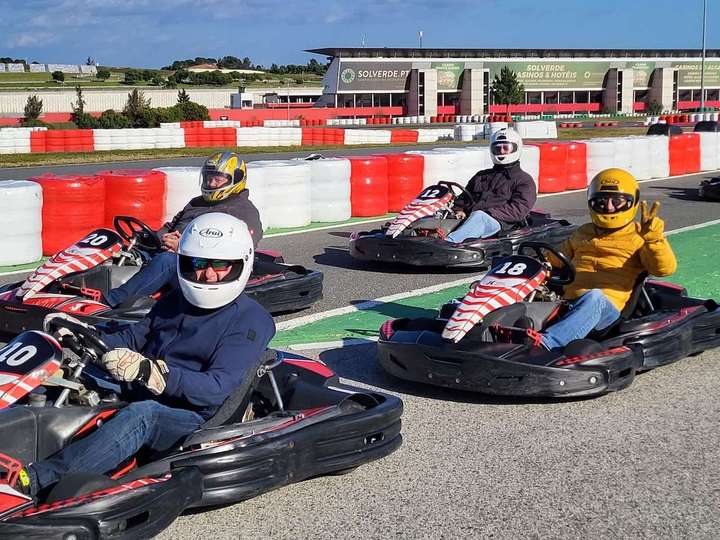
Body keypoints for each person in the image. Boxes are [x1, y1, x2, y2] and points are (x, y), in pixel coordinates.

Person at [11, 213, 275, 498]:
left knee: (142, 415)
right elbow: (132, 338)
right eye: (198, 264)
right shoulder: (176, 300)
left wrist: (157, 374)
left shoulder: (250, 320)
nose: (207, 275)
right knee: (64, 375)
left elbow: (216, 388)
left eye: (221, 266)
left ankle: (34, 481)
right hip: (146, 384)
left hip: (192, 413)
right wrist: (83, 339)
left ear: (241, 264)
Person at [540, 168, 677, 350]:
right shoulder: (584, 232)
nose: (609, 207)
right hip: (568, 302)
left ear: (631, 202)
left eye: (617, 201)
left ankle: (547, 345)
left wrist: (654, 239)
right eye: (602, 201)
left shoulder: (640, 237)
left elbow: (664, 269)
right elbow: (556, 258)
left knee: (595, 296)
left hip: (607, 313)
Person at [105, 151, 262, 308]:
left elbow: (240, 250)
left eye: (218, 179)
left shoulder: (243, 211)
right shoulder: (196, 203)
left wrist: (184, 248)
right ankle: (88, 286)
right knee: (122, 249)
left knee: (167, 261)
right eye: (209, 178)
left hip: (200, 267)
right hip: (170, 252)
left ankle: (109, 302)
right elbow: (171, 226)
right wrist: (157, 237)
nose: (212, 184)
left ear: (236, 179)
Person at [446, 127, 537, 243]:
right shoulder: (482, 176)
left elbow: (518, 210)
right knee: (443, 213)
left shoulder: (524, 180)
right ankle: (424, 237)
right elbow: (464, 197)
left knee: (480, 217)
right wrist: (459, 209)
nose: (502, 151)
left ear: (516, 148)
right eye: (497, 148)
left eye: (506, 148)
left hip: (502, 222)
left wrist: (487, 212)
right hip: (473, 218)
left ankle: (449, 243)